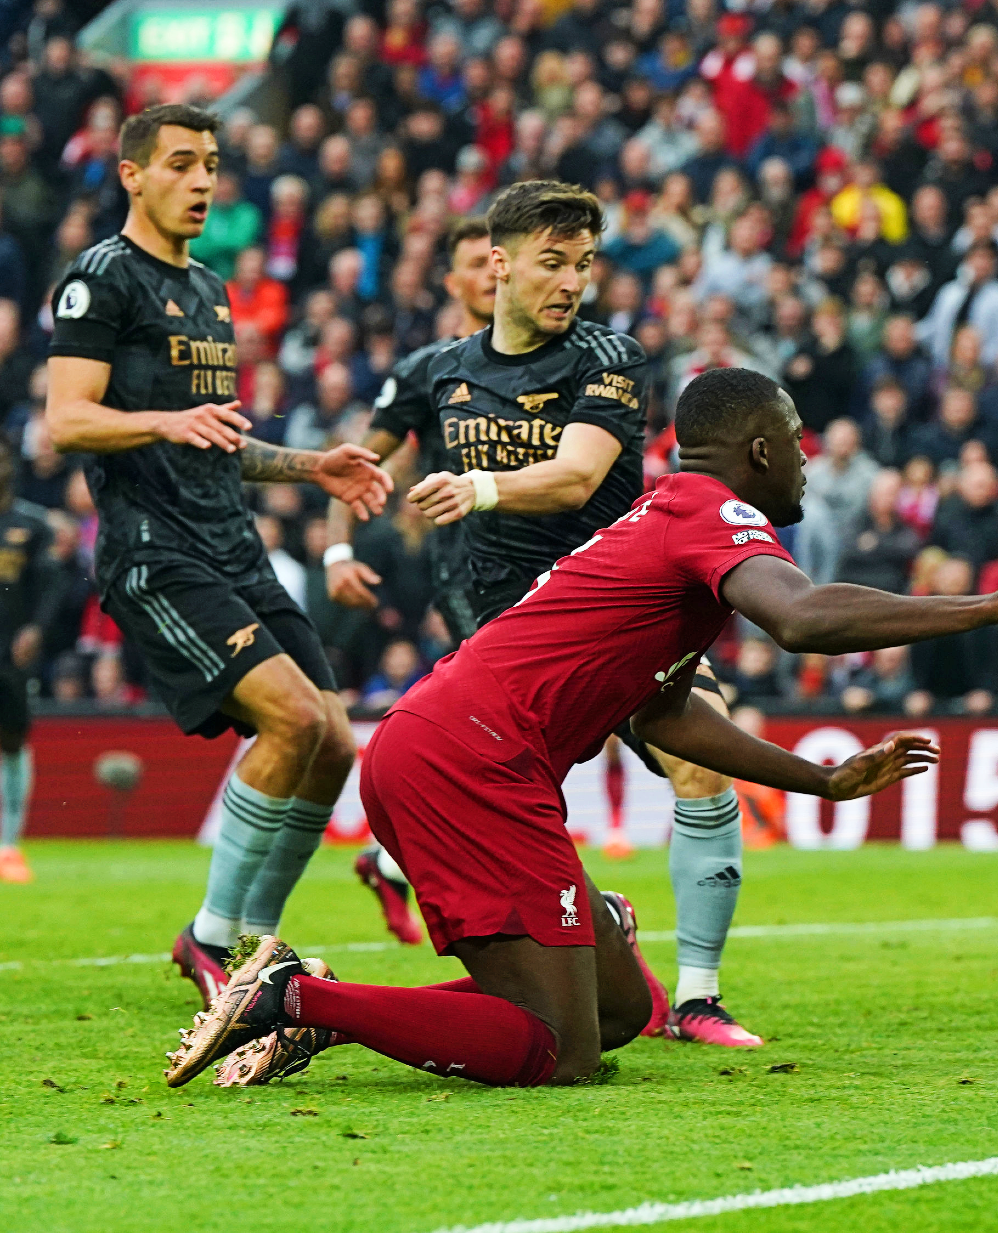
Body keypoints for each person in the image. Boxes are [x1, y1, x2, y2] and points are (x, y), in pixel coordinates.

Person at [164, 367, 998, 1090]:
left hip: (457, 748)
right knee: (558, 1050)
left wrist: (822, 779)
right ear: (759, 450)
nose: (807, 461)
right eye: (797, 443)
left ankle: (319, 1009)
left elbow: (664, 713)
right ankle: (295, 994)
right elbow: (803, 618)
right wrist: (989, 607)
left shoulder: (674, 527)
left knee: (616, 1010)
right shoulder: (708, 509)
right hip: (471, 760)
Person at [402, 181, 773, 1048]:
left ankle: (698, 997)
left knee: (703, 769)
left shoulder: (609, 357)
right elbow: (388, 450)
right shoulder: (446, 373)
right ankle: (593, 933)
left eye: (585, 264)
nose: (572, 281)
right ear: (498, 264)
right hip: (511, 630)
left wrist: (481, 485)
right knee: (520, 812)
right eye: (553, 262)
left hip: (624, 620)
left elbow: (575, 475)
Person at [43, 105, 394, 1004]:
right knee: (288, 720)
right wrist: (161, 418)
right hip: (155, 552)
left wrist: (311, 467)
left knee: (333, 742)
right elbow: (67, 418)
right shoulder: (102, 278)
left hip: (230, 541)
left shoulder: (208, 289)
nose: (202, 181)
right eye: (180, 164)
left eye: (210, 165)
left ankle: (251, 940)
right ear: (132, 174)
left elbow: (218, 438)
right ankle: (210, 938)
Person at [321, 214, 495, 947]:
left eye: (500, 261)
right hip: (469, 574)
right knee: (512, 732)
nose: (492, 275)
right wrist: (336, 551)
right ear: (452, 282)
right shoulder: (432, 367)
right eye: (475, 266)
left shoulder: (575, 360)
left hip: (559, 570)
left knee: (505, 741)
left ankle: (393, 860)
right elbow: (356, 461)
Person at [0, 452, 57, 884]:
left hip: (9, 652)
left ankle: (9, 843)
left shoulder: (32, 526)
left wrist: (36, 627)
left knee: (13, 741)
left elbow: (53, 583)